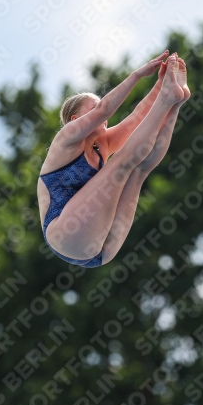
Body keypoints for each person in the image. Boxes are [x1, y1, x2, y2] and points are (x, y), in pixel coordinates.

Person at [37, 51, 190, 268]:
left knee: (139, 170)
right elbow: (104, 109)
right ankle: (169, 97)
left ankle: (175, 102)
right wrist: (137, 75)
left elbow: (136, 118)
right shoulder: (66, 140)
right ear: (76, 119)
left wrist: (161, 84)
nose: (105, 117)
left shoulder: (102, 144)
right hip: (65, 234)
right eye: (92, 108)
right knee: (122, 163)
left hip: (100, 251)